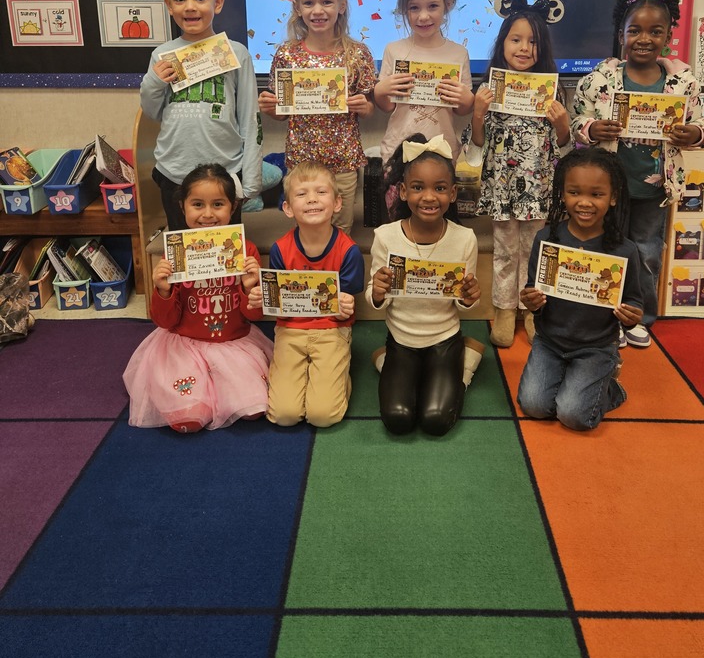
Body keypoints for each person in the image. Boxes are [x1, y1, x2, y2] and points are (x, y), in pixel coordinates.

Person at [571, 0, 704, 348]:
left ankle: (639, 317)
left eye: (655, 31)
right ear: (622, 36)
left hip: (653, 190)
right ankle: (603, 315)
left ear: (667, 37)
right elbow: (576, 121)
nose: (644, 39)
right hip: (606, 189)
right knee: (606, 251)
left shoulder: (683, 83)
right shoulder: (599, 79)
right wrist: (590, 130)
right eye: (635, 31)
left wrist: (691, 133)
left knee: (646, 252)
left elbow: (703, 129)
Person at [123, 163, 273, 433]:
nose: (207, 214)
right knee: (188, 419)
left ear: (233, 207)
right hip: (184, 346)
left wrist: (249, 289)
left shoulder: (245, 250)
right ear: (182, 207)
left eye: (218, 204)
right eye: (197, 204)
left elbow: (255, 316)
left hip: (233, 342)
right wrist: (164, 290)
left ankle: (227, 388)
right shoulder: (175, 253)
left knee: (254, 410)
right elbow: (165, 321)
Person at [462, 0, 572, 348]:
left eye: (533, 42)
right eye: (516, 39)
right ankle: (505, 309)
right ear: (502, 43)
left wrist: (563, 124)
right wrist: (478, 113)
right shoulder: (489, 90)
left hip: (540, 190)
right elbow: (475, 147)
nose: (524, 48)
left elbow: (566, 149)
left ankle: (533, 310)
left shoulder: (552, 93)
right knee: (506, 251)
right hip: (503, 190)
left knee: (538, 249)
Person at [518, 146, 642, 431]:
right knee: (535, 406)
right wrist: (531, 300)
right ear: (562, 194)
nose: (584, 202)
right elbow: (533, 289)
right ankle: (575, 382)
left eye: (596, 194)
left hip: (595, 347)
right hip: (549, 341)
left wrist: (632, 316)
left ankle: (611, 389)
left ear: (613, 198)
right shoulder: (547, 240)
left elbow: (634, 299)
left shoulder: (624, 250)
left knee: (573, 416)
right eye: (575, 192)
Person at [366, 134, 481, 437]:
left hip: (444, 339)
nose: (429, 197)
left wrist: (470, 298)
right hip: (401, 340)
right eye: (418, 188)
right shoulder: (385, 237)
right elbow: (375, 297)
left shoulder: (465, 239)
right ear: (403, 192)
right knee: (398, 419)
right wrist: (377, 292)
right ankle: (387, 360)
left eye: (440, 188)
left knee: (435, 421)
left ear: (453, 194)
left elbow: (463, 301)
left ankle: (465, 365)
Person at [140, 0, 262, 231]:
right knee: (185, 257)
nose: (190, 7)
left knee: (224, 255)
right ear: (169, 5)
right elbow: (152, 112)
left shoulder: (237, 53)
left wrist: (251, 178)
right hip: (175, 171)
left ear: (217, 3)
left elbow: (250, 118)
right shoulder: (161, 55)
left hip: (224, 174)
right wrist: (154, 81)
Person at [258, 0, 375, 234]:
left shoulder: (357, 54)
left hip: (343, 162)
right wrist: (270, 108)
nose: (318, 11)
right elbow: (282, 112)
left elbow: (369, 106)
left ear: (342, 5)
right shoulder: (286, 55)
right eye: (309, 3)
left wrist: (363, 106)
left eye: (327, 2)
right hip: (302, 162)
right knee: (307, 230)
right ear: (297, 8)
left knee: (341, 232)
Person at [249, 161, 365, 428]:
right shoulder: (280, 249)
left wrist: (345, 304)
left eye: (321, 192)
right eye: (302, 194)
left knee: (323, 416)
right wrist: (262, 298)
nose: (312, 199)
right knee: (284, 416)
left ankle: (339, 373)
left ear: (337, 203)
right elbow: (278, 300)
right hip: (290, 330)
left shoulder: (349, 251)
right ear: (288, 208)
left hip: (331, 330)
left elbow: (347, 302)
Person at [374, 0, 474, 169]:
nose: (423, 16)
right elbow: (387, 106)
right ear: (403, 8)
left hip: (442, 151)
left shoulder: (458, 53)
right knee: (398, 201)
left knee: (435, 202)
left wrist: (468, 100)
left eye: (432, 6)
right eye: (414, 7)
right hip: (398, 151)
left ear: (448, 3)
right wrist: (380, 91)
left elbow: (461, 110)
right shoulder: (394, 51)